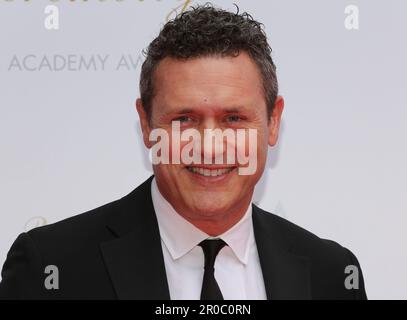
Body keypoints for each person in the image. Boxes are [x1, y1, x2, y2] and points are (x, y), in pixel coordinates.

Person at [0, 3, 367, 300]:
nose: (209, 146)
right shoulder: (52, 267)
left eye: (234, 118)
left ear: (273, 123)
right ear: (146, 124)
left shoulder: (331, 275)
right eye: (185, 119)